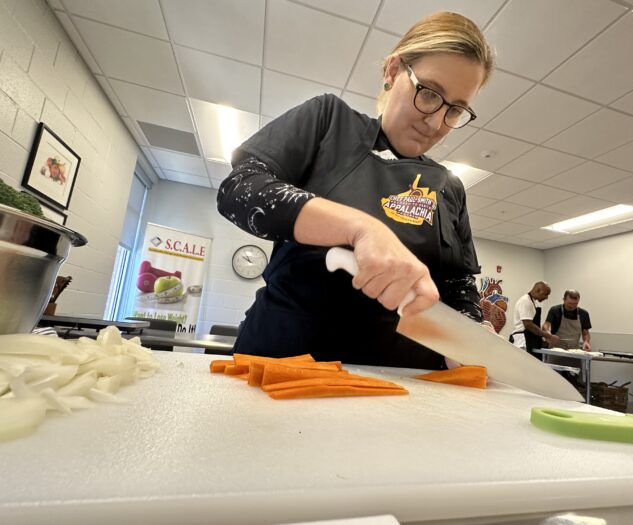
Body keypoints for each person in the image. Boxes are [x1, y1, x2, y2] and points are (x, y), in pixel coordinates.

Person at [217, 12, 494, 369]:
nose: (436, 122)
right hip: (284, 367)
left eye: (455, 110)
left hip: (405, 386)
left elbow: (458, 284)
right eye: (429, 94)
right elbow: (240, 189)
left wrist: (468, 335)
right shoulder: (328, 122)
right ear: (393, 71)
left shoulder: (448, 186)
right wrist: (361, 228)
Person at [509, 282, 560, 356]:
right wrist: (549, 336)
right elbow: (528, 325)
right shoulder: (526, 301)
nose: (546, 298)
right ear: (538, 291)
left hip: (530, 340)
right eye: (546, 294)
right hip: (524, 341)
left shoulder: (531, 301)